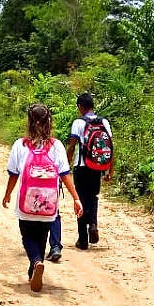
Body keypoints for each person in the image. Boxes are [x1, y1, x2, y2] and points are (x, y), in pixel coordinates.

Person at [2, 104, 83, 292]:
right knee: (42, 235)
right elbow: (65, 174)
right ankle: (34, 268)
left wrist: (7, 194)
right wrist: (76, 198)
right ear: (49, 122)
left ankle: (36, 261)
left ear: (29, 122)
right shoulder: (56, 146)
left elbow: (13, 174)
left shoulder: (20, 145)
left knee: (27, 235)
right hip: (48, 204)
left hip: (26, 204)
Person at [65, 93, 113, 250]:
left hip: (81, 166)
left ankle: (83, 239)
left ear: (80, 106)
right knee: (93, 197)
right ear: (92, 106)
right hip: (96, 166)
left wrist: (65, 166)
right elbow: (110, 146)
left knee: (79, 199)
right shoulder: (103, 121)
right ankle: (93, 224)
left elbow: (72, 146)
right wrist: (110, 170)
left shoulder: (78, 123)